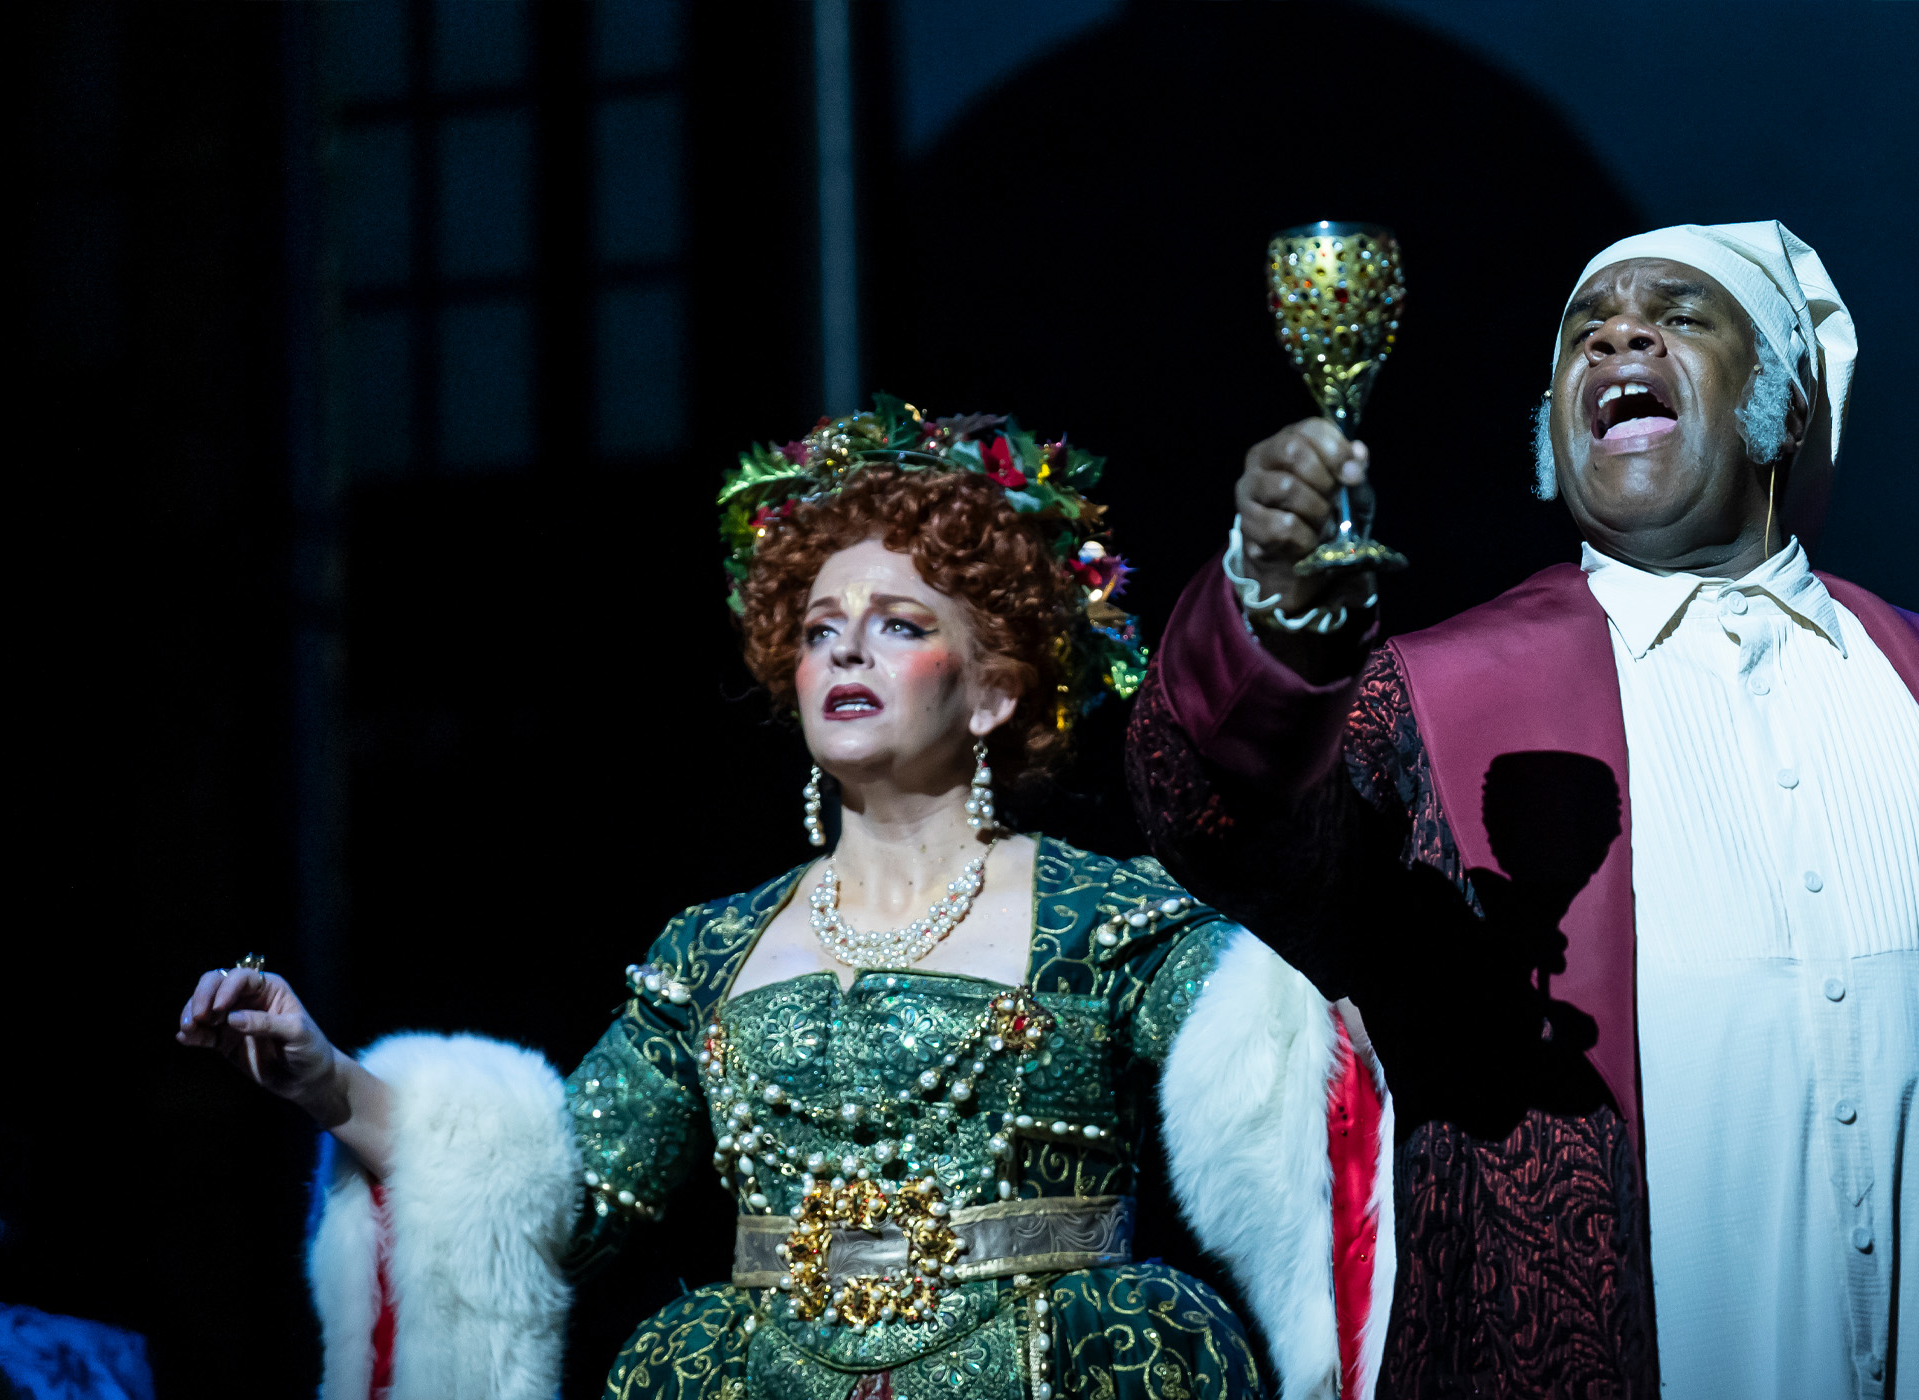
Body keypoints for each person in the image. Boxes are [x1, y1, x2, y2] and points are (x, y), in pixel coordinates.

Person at [1126, 222, 1919, 1400]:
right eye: (1586, 325)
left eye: (1679, 313)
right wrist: (1271, 620)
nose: (1620, 332)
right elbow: (1220, 822)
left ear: (1780, 402)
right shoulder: (1433, 696)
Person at [178, 400, 1392, 1400]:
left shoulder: (1110, 921)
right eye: (821, 629)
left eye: (900, 624)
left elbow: (1298, 1081)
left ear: (991, 692)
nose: (847, 651)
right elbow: (548, 1190)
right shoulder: (712, 949)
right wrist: (326, 1077)